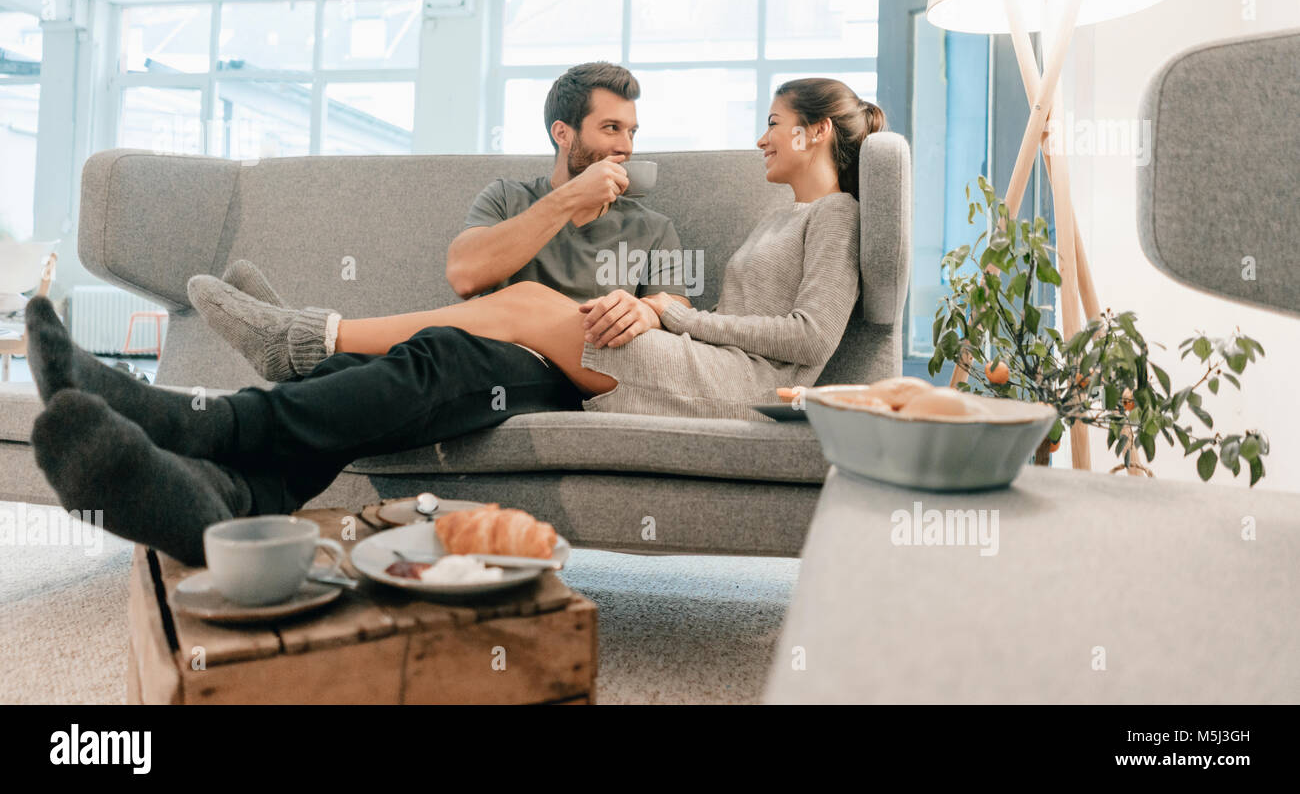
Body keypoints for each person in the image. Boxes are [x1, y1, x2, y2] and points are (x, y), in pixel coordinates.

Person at [26, 77, 882, 566]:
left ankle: (285, 352)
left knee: (513, 312)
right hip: (504, 358)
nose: (759, 136)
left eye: (772, 123)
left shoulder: (826, 216)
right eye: (610, 128)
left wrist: (663, 306)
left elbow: (804, 338)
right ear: (565, 131)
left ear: (811, 133)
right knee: (444, 350)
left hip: (686, 378)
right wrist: (642, 280)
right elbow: (467, 269)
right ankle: (244, 491)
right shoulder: (527, 196)